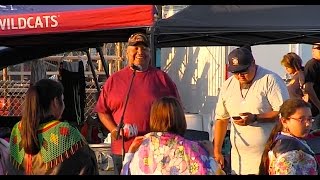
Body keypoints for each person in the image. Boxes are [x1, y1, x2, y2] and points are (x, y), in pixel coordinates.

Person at [95, 32, 181, 175]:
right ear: (127, 52)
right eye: (135, 48)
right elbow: (102, 111)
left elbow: (176, 111)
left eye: (144, 48)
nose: (140, 52)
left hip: (154, 149)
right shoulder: (115, 80)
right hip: (123, 149)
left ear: (150, 53)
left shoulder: (162, 78)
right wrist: (114, 130)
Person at [213, 47, 289, 175]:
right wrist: (217, 151)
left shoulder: (270, 80)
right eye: (235, 72)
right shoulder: (227, 85)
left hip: (269, 155)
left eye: (244, 71)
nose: (240, 76)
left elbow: (285, 113)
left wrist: (256, 118)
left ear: (253, 63)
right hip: (239, 160)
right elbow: (221, 119)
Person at [6, 79, 99, 175]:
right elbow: (89, 167)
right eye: (62, 100)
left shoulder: (18, 129)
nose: (64, 105)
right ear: (55, 101)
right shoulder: (66, 133)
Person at [121, 96, 225, 175]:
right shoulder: (194, 149)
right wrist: (211, 154)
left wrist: (130, 152)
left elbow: (126, 172)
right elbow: (213, 171)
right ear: (180, 118)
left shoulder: (142, 148)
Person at [259, 99, 318, 175]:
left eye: (309, 119)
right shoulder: (291, 153)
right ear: (284, 121)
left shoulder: (280, 141)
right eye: (301, 119)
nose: (307, 124)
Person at [304, 43, 320, 129]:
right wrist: (319, 105)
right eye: (319, 48)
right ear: (313, 50)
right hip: (315, 112)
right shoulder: (312, 65)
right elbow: (308, 88)